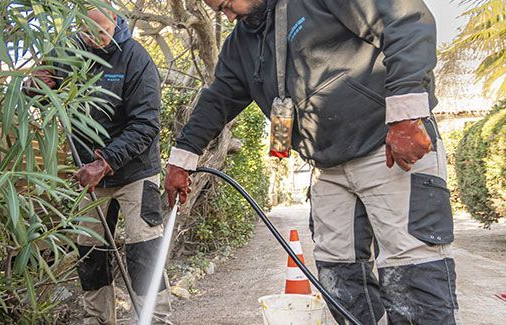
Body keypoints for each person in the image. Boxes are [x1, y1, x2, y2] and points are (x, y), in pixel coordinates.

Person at [164, 0, 459, 324]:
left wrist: (406, 116)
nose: (229, 15)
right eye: (220, 11)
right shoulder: (241, 45)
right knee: (339, 276)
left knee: (412, 276)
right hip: (328, 168)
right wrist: (182, 159)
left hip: (389, 149)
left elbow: (406, 20)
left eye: (227, 4)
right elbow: (218, 99)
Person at [24, 4, 172, 325]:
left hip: (135, 171)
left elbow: (146, 125)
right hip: (89, 175)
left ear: (116, 22)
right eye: (87, 31)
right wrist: (33, 85)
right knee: (90, 253)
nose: (95, 38)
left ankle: (156, 318)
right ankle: (98, 319)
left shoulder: (137, 59)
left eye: (101, 30)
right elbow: (37, 87)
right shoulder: (69, 52)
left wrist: (105, 163)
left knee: (142, 249)